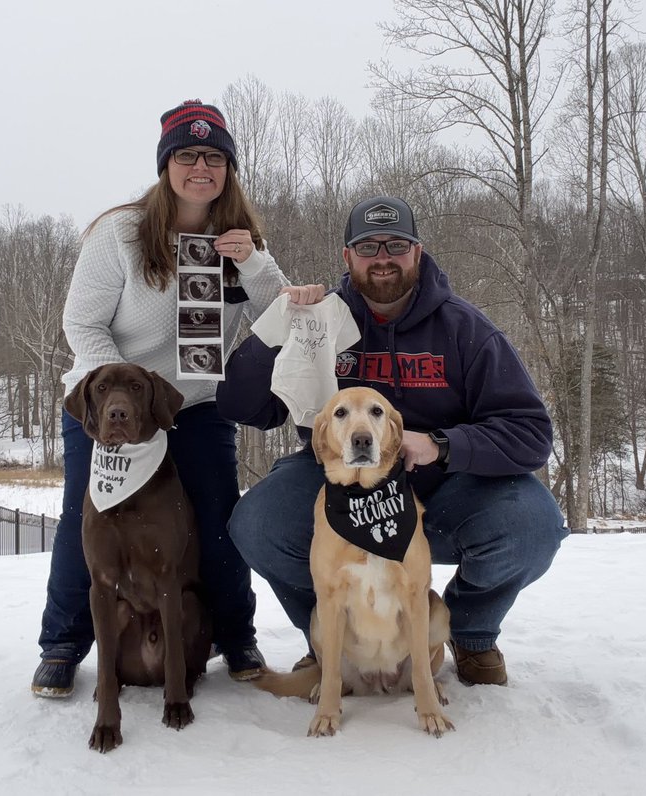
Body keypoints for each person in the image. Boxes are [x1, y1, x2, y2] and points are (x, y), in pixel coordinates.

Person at [218, 196, 569, 686]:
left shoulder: (466, 330)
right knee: (257, 522)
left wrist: (442, 444)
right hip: (345, 492)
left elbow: (531, 433)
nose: (382, 257)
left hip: (446, 493)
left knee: (533, 525)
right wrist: (276, 327)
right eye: (367, 247)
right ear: (347, 257)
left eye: (396, 245)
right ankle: (329, 640)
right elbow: (242, 406)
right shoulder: (322, 321)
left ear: (417, 253)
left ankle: (470, 633)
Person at [32, 100, 294, 697]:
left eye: (214, 156)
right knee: (88, 521)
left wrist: (252, 260)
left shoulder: (236, 242)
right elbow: (83, 325)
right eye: (186, 155)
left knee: (217, 520)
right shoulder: (120, 232)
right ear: (165, 165)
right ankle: (63, 645)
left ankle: (234, 635)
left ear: (228, 167)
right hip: (110, 408)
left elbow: (278, 314)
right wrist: (127, 401)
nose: (200, 167)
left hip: (194, 409)